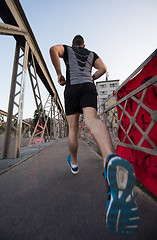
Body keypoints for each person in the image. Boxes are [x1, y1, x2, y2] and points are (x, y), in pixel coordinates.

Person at [49, 35, 139, 234]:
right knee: (92, 121)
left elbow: (53, 49)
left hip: (72, 88)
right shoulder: (91, 53)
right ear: (84, 44)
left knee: (73, 128)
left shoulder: (67, 49)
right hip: (89, 86)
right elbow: (104, 69)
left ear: (73, 44)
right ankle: (110, 160)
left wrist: (59, 74)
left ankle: (73, 163)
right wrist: (92, 77)